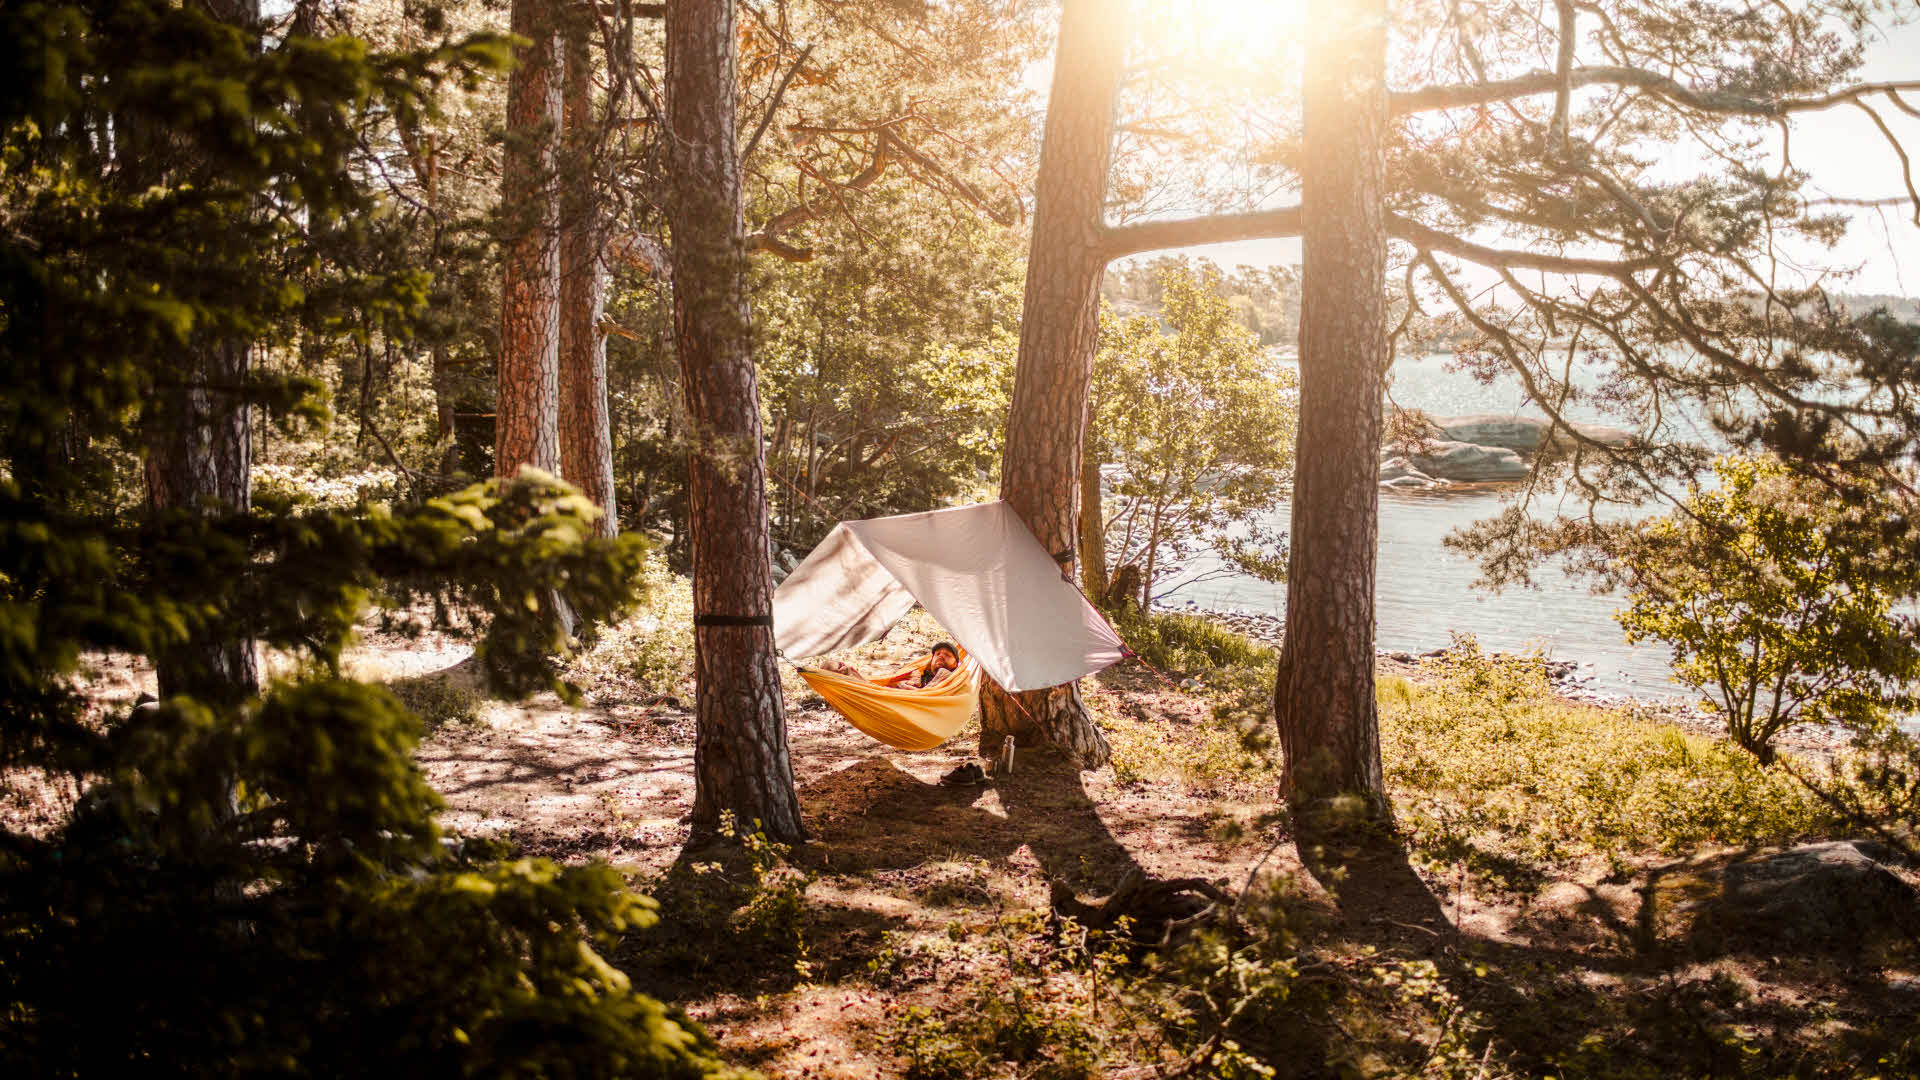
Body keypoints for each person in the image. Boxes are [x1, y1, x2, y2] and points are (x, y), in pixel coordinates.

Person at [818, 641, 962, 687]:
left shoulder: (954, 676)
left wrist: (907, 686)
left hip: (917, 705)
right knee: (829, 666)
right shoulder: (918, 671)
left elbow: (927, 696)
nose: (941, 657)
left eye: (947, 655)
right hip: (891, 699)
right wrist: (910, 682)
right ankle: (842, 674)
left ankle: (845, 674)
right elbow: (891, 682)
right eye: (937, 654)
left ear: (956, 663)